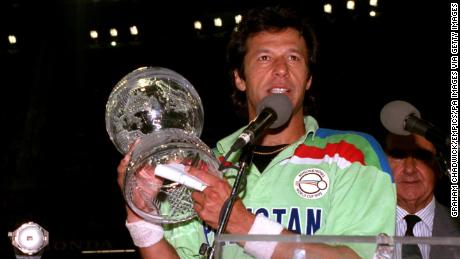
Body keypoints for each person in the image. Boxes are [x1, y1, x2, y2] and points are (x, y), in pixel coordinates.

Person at [117, 6, 396, 259]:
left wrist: (241, 224)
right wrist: (141, 216)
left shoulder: (352, 152)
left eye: (294, 58)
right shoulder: (204, 165)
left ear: (308, 79)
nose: (281, 70)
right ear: (240, 78)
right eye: (264, 57)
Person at [384, 132, 460, 259]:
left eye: (421, 156)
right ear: (383, 162)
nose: (409, 169)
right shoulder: (354, 226)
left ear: (439, 167)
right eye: (398, 155)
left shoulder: (456, 226)